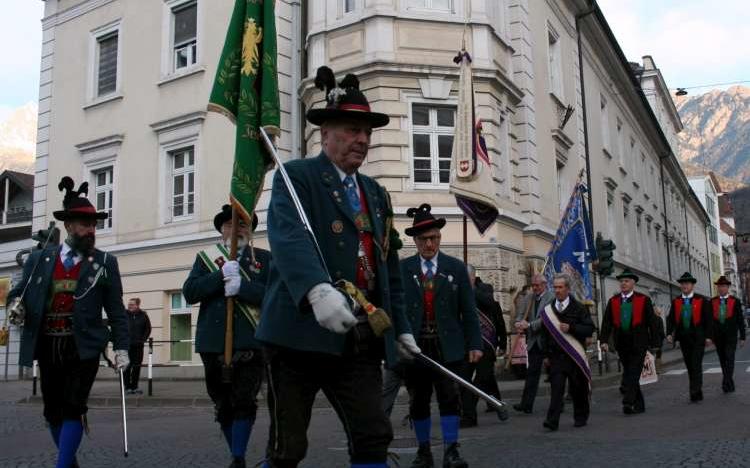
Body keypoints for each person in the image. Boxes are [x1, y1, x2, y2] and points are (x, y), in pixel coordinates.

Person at [256, 66, 419, 468]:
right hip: (297, 337)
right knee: (287, 448)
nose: (361, 139)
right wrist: (316, 289)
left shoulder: (376, 194)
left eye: (366, 132)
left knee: (373, 435)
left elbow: (387, 270)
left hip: (356, 338)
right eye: (350, 129)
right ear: (324, 133)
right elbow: (289, 236)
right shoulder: (297, 177)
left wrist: (400, 329)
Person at [7, 177, 129, 468]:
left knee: (74, 406)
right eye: (84, 224)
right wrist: (16, 305)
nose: (91, 230)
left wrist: (121, 347)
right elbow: (17, 293)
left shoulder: (105, 263)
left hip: (83, 346)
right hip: (48, 343)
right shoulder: (40, 258)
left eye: (93, 225)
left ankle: (61, 464)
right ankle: (69, 460)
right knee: (52, 410)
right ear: (69, 226)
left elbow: (116, 311)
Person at [183, 206, 270, 468]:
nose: (237, 230)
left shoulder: (265, 259)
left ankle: (238, 457)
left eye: (243, 225)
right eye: (231, 225)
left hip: (250, 342)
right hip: (213, 342)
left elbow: (275, 296)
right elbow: (190, 292)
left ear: (251, 231)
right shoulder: (206, 258)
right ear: (223, 229)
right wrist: (219, 276)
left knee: (244, 400)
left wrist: (243, 287)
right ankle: (236, 451)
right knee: (222, 403)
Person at [399, 204, 482, 468]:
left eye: (433, 238)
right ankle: (424, 452)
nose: (429, 244)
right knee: (418, 401)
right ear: (415, 241)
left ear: (440, 237)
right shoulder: (403, 269)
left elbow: (468, 311)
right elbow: (396, 310)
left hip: (449, 347)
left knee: (449, 398)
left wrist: (475, 344)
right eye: (423, 239)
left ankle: (451, 451)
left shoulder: (455, 268)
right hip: (416, 349)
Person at [599, 269, 660, 414]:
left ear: (633, 283)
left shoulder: (643, 299)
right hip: (621, 343)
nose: (623, 284)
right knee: (630, 372)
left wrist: (655, 343)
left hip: (639, 343)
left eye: (626, 281)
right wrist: (604, 340)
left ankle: (627, 401)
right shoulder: (613, 301)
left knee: (633, 372)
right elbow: (607, 322)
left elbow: (652, 323)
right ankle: (640, 405)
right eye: (621, 281)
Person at [540, 274, 594, 431]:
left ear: (568, 289)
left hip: (574, 356)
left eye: (560, 287)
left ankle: (580, 416)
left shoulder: (579, 307)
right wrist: (545, 355)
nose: (557, 290)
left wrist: (572, 328)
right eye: (555, 287)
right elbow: (544, 334)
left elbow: (589, 328)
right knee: (556, 390)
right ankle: (552, 421)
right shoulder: (549, 309)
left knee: (578, 389)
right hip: (556, 356)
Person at [459, 265, 508, 427]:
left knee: (483, 378)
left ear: (473, 277)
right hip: (466, 342)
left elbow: (490, 304)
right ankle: (469, 417)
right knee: (464, 380)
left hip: (485, 343)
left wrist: (470, 289)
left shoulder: (484, 288)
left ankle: (475, 407)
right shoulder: (457, 290)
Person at [666, 272, 713, 402]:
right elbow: (670, 319)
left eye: (687, 283)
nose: (684, 285)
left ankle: (694, 391)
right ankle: (697, 390)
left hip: (698, 338)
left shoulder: (701, 300)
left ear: (692, 285)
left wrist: (709, 336)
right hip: (684, 339)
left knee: (696, 364)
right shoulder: (676, 301)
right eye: (682, 284)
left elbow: (708, 320)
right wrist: (669, 333)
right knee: (690, 365)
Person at [512, 273, 554, 414]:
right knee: (532, 374)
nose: (534, 288)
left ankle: (557, 404)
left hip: (548, 341)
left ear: (544, 285)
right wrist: (518, 323)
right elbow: (520, 314)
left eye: (537, 285)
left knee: (554, 374)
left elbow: (546, 319)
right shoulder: (528, 297)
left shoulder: (551, 298)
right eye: (533, 285)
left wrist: (529, 325)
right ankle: (526, 404)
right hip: (534, 342)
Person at [710, 276, 746, 393]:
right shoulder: (712, 301)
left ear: (728, 287)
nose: (721, 288)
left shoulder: (735, 301)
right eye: (719, 286)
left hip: (731, 337)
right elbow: (709, 321)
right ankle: (729, 383)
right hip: (718, 337)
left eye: (724, 286)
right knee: (722, 360)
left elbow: (740, 319)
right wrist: (709, 336)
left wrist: (743, 336)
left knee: (729, 359)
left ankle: (726, 381)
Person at [123, 297, 151, 395]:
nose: (129, 306)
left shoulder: (143, 315)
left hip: (138, 346)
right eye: (129, 304)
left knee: (136, 366)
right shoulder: (124, 315)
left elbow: (148, 329)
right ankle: (127, 387)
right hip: (126, 345)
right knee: (127, 366)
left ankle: (134, 387)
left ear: (137, 305)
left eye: (132, 304)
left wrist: (143, 340)